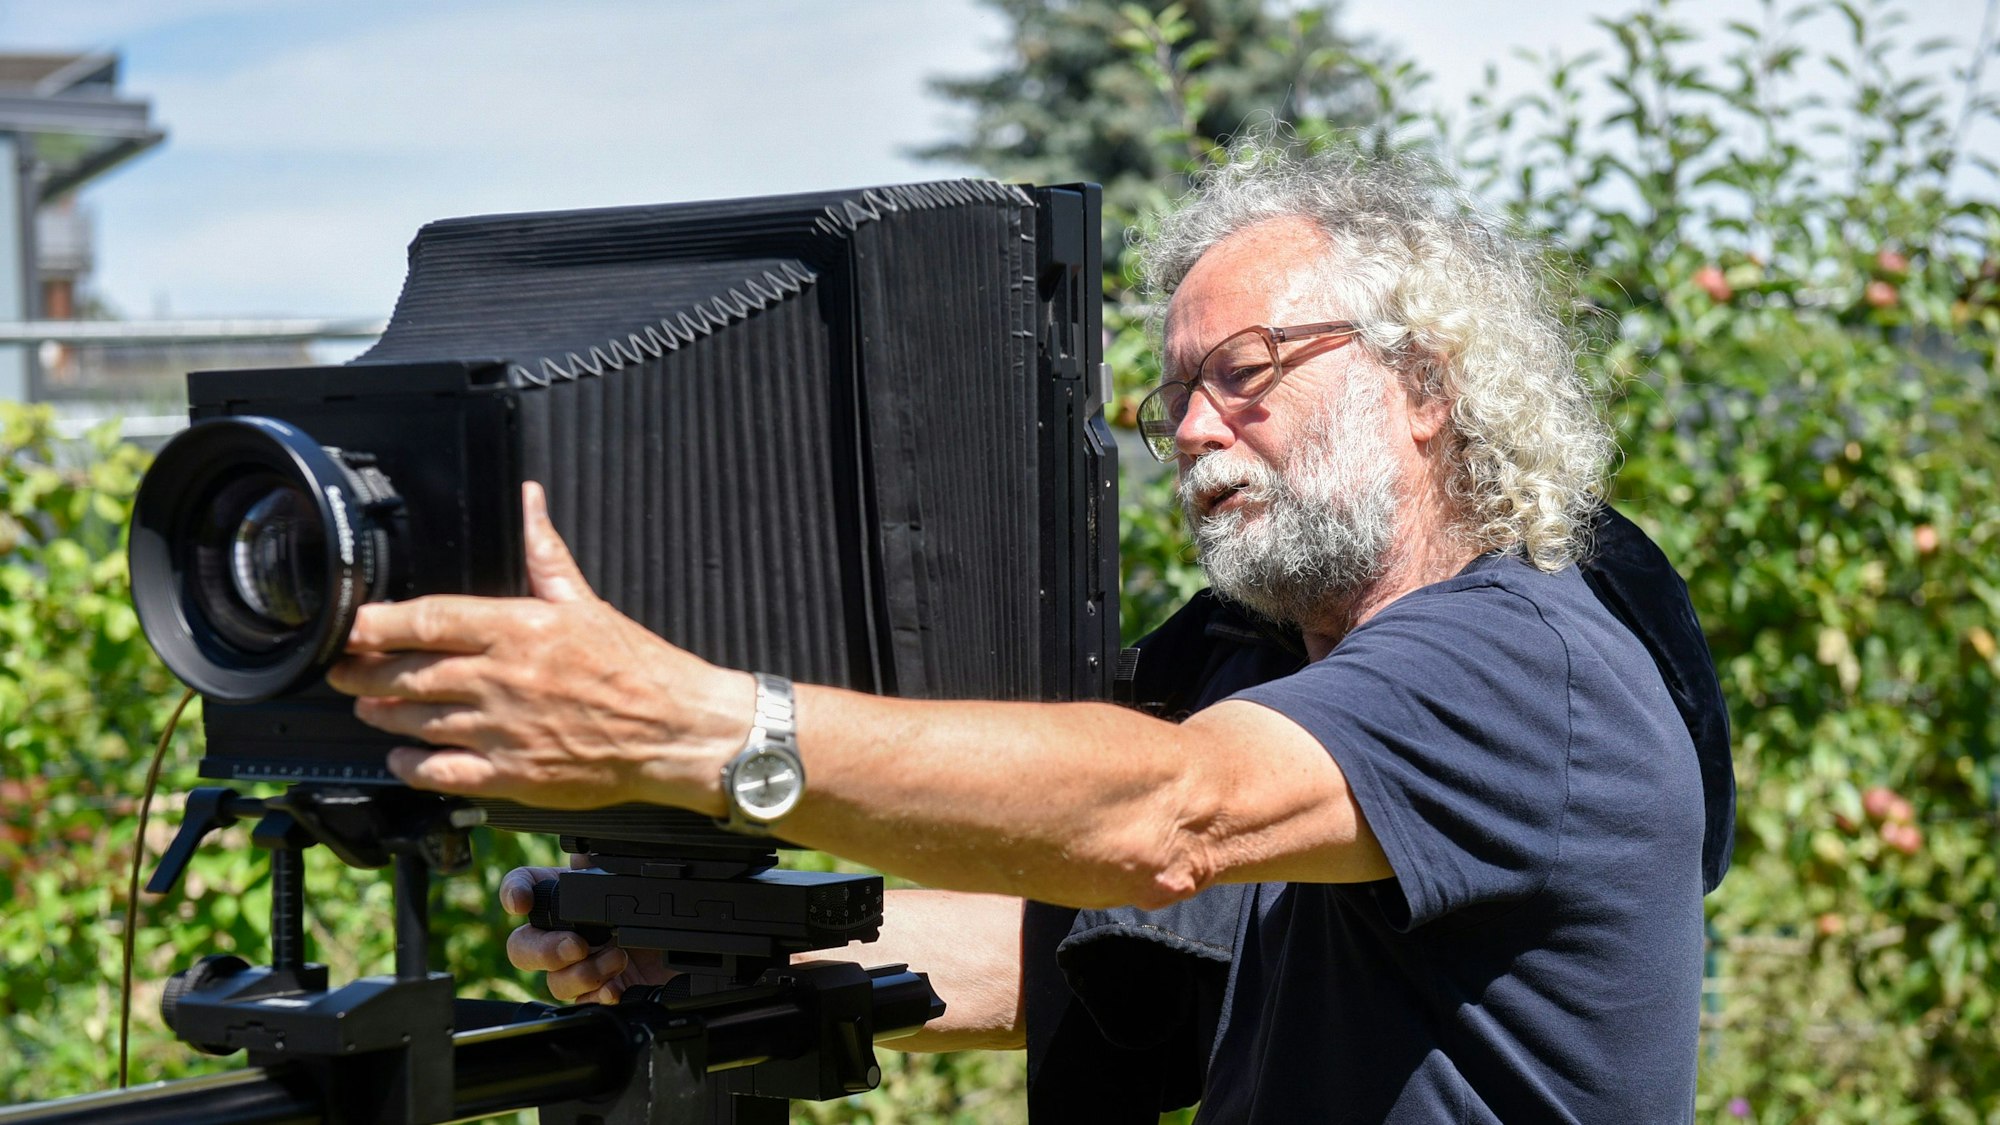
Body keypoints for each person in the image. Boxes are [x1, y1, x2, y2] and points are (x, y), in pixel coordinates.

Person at [327, 145, 1730, 1121]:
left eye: (1243, 373)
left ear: (1425, 385)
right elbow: (1077, 940)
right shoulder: (1339, 694)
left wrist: (690, 725)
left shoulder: (1515, 660)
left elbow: (1170, 815)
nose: (1189, 429)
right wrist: (738, 955)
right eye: (1171, 394)